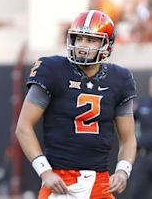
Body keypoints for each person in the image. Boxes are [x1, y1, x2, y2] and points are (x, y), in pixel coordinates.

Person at [15, 10, 137, 199]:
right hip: (61, 180)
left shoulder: (120, 78)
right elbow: (23, 127)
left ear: (107, 44)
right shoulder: (52, 69)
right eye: (79, 38)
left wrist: (123, 171)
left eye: (90, 40)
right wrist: (45, 171)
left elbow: (128, 138)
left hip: (100, 181)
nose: (82, 45)